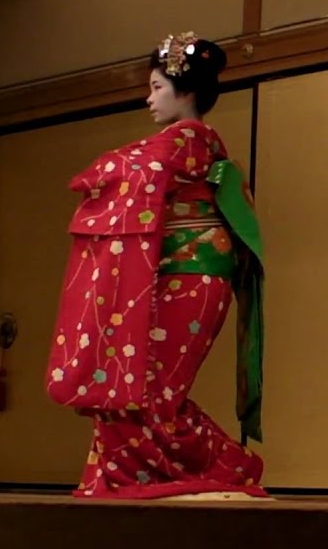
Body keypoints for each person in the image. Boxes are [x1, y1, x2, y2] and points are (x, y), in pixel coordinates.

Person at [44, 31, 267, 501]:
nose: (149, 99)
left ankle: (228, 466)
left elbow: (132, 168)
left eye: (157, 87)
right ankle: (141, 475)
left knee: (145, 393)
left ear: (185, 92)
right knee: (127, 387)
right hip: (178, 273)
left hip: (193, 274)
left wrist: (94, 176)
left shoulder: (188, 140)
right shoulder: (180, 145)